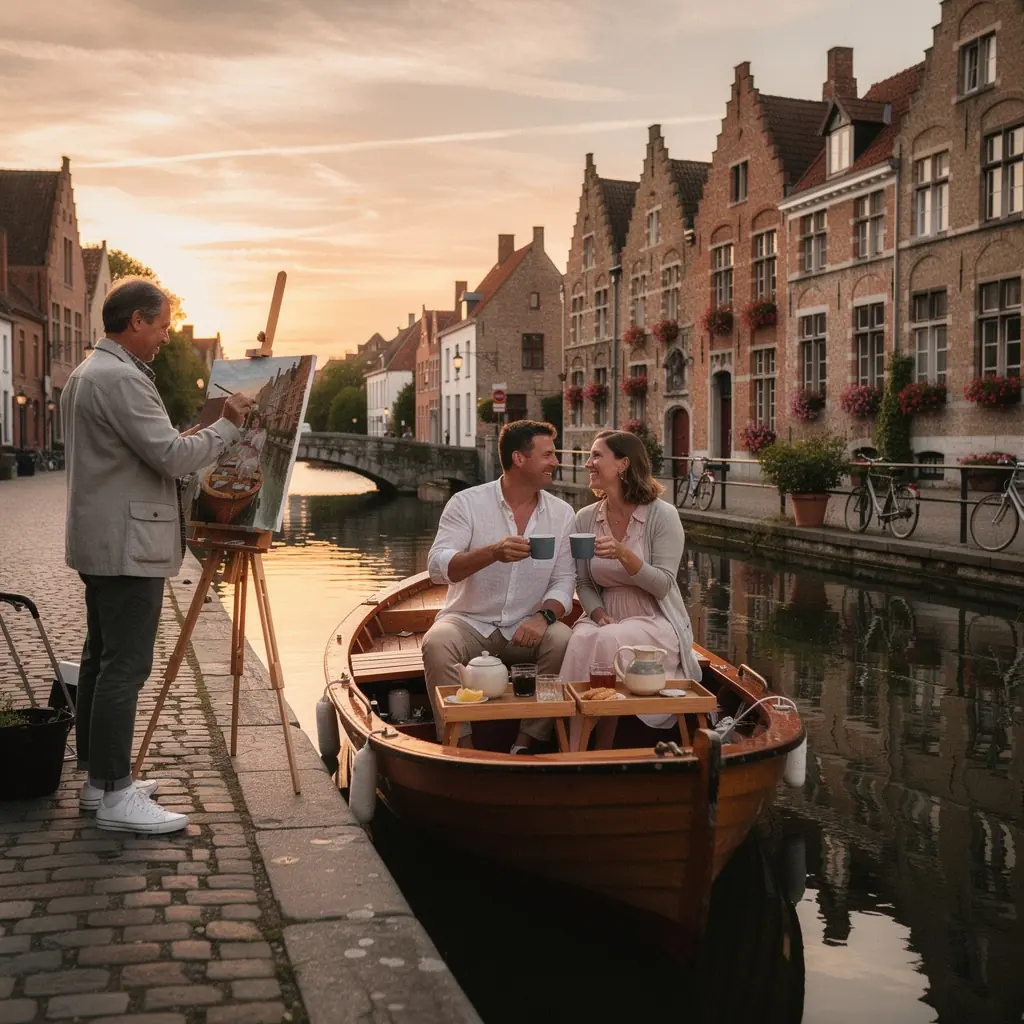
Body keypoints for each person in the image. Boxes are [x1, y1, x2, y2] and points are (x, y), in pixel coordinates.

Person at [62, 277, 253, 834]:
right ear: (137, 321)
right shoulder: (120, 377)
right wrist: (226, 426)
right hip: (127, 544)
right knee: (125, 666)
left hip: (99, 540)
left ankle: (100, 781)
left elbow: (139, 450)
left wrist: (196, 432)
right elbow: (171, 458)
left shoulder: (86, 372)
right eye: (163, 325)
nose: (166, 337)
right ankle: (117, 795)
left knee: (100, 659)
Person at [423, 420, 574, 752]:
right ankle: (459, 745)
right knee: (437, 642)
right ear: (519, 459)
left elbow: (564, 581)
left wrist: (542, 619)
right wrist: (492, 553)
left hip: (527, 625)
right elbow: (437, 567)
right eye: (548, 454)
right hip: (468, 621)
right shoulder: (466, 503)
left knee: (562, 639)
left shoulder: (562, 514)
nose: (555, 462)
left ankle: (528, 741)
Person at [561, 430, 701, 737]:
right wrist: (597, 614)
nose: (588, 463)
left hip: (655, 616)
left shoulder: (662, 516)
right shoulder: (584, 519)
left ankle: (596, 743)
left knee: (609, 640)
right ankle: (570, 741)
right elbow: (583, 582)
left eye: (596, 456)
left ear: (623, 464)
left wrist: (626, 555)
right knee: (580, 640)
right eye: (589, 456)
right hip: (605, 613)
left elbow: (663, 585)